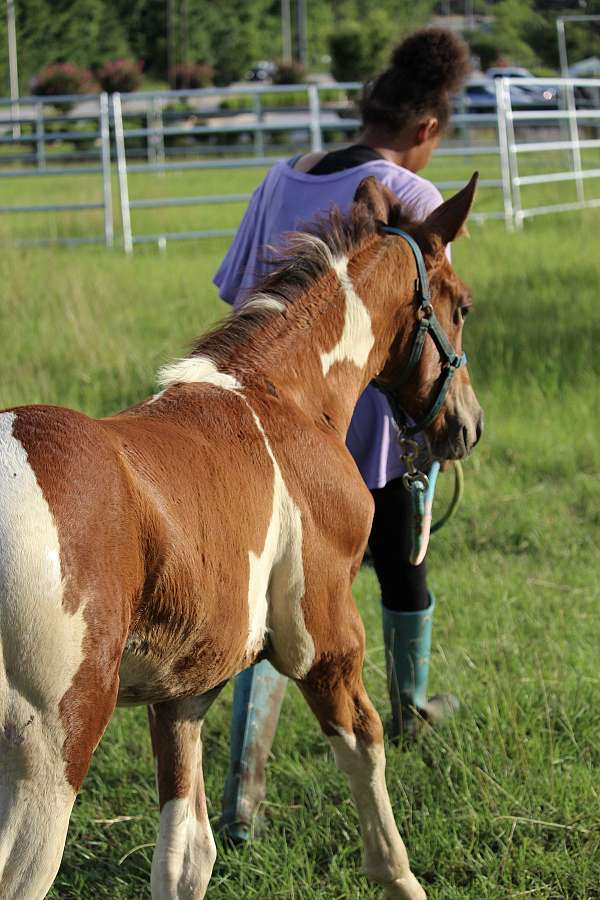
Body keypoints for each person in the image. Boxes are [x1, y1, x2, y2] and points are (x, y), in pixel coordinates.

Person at [213, 28, 471, 843]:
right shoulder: (413, 195)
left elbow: (236, 298)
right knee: (402, 569)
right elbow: (433, 323)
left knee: (269, 608)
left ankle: (243, 793)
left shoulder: (279, 175)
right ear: (426, 129)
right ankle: (412, 708)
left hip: (270, 427)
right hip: (372, 439)